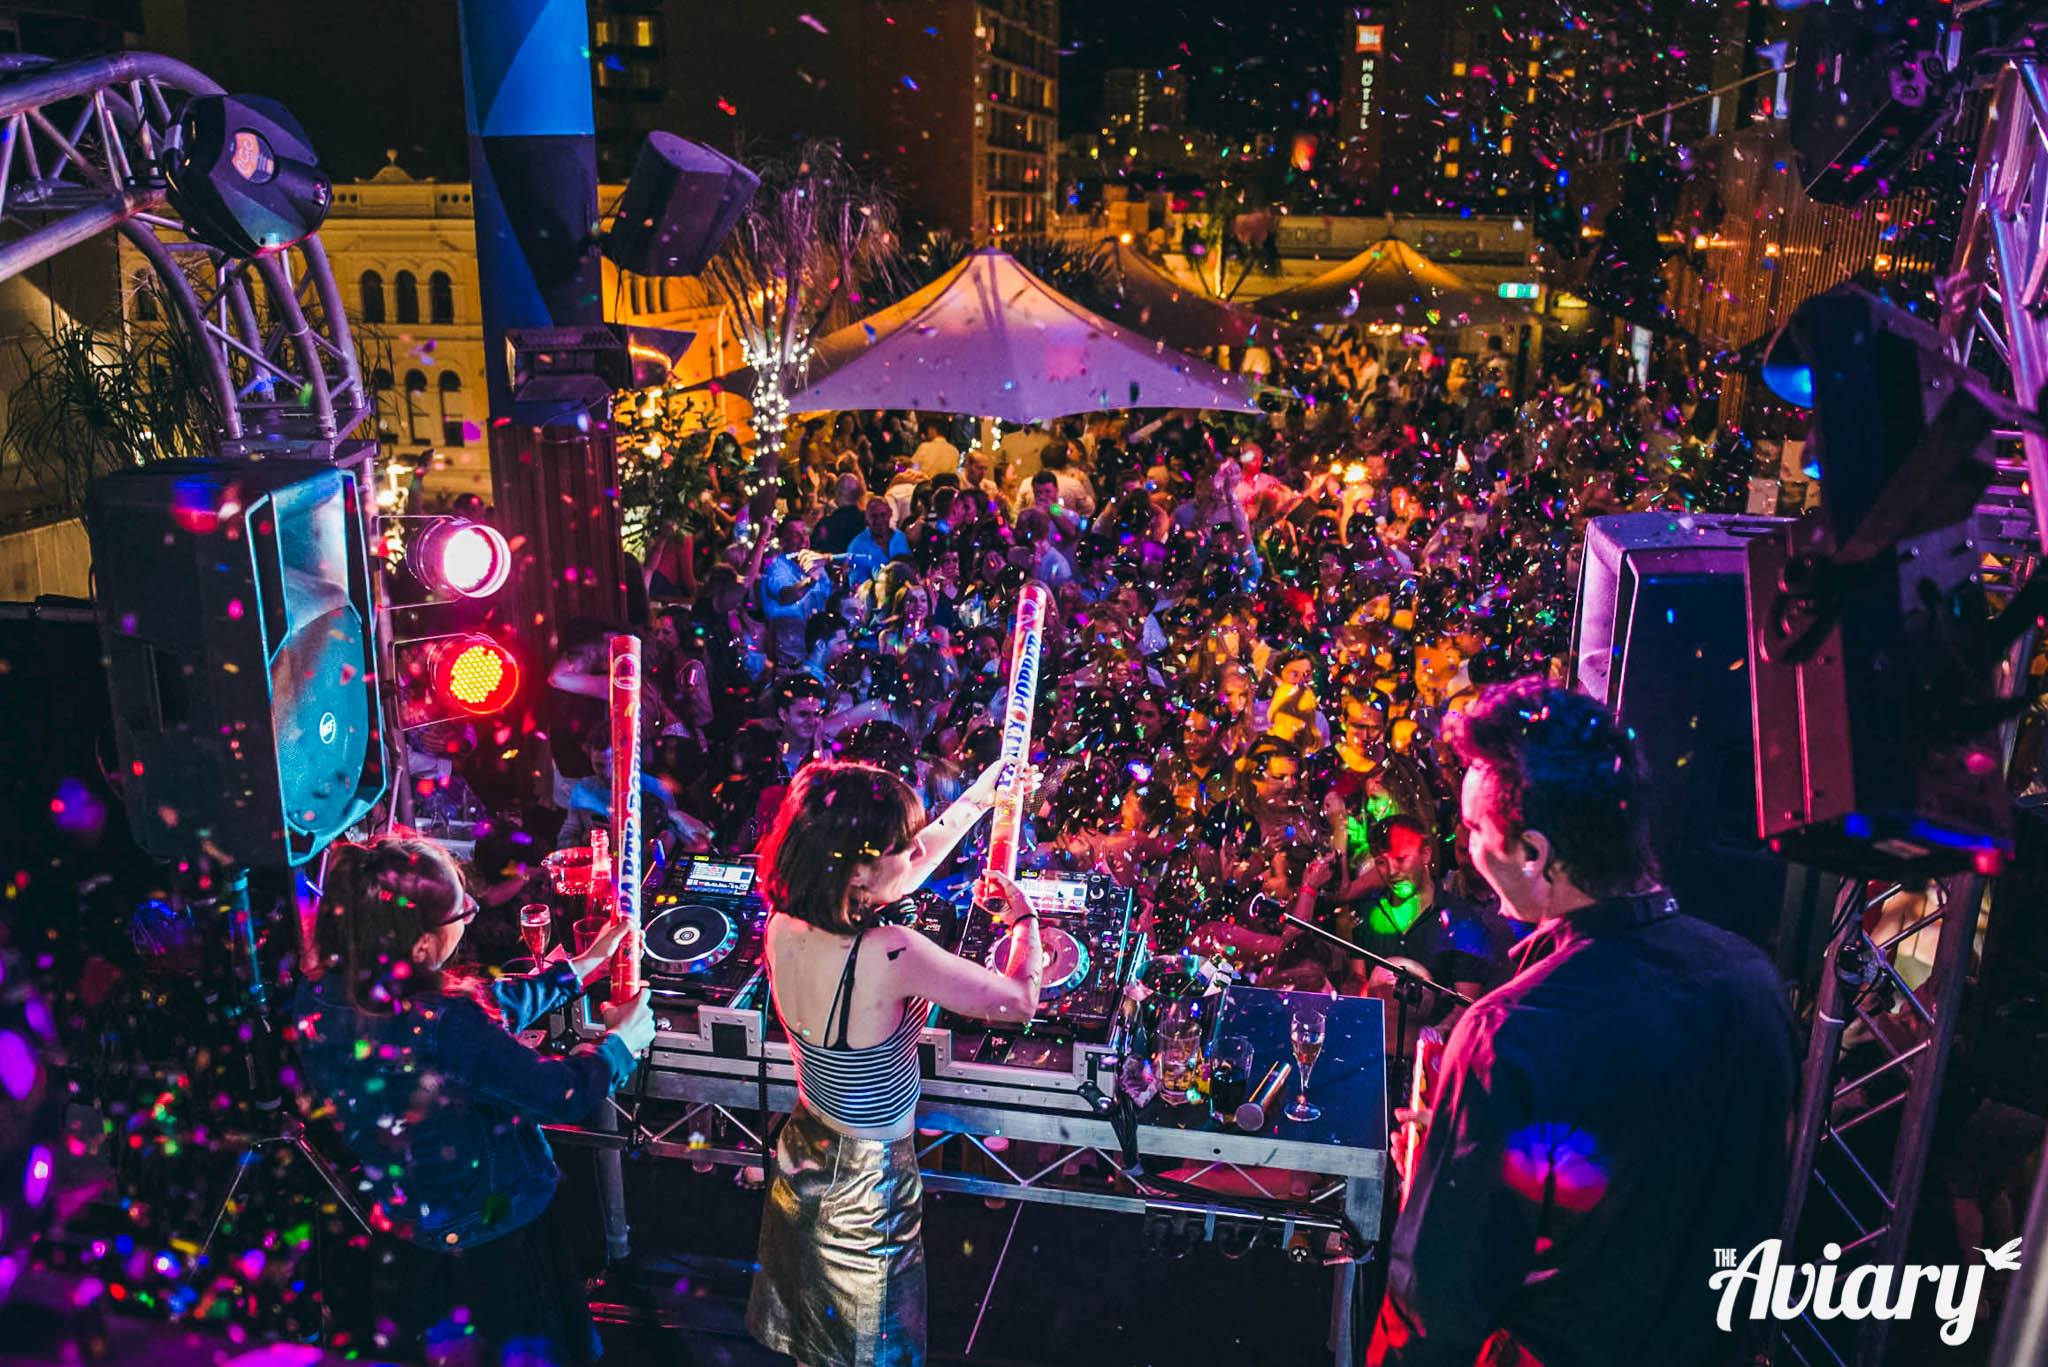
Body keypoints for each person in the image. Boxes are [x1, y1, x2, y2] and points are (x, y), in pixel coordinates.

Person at [1367, 679, 1796, 1367]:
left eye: (1474, 830)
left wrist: (1435, 1184)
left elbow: (1435, 1309)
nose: (1467, 847)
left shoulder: (1508, 1032)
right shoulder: (1751, 980)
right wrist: (1477, 1150)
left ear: (1533, 853)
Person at [291, 835, 656, 1366]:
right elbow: (561, 1095)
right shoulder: (443, 1025)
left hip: (412, 1233)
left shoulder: (321, 995)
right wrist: (622, 1044)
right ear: (421, 947)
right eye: (461, 911)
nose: (471, 913)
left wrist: (576, 970)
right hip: (496, 1238)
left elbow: (476, 1014)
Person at [747, 760, 1045, 1367]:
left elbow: (902, 873)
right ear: (857, 870)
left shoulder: (784, 921)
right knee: (871, 1350)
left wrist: (978, 799)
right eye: (900, 845)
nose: (915, 852)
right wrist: (1024, 919)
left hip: (805, 1153)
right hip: (866, 1182)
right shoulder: (890, 953)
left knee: (816, 1345)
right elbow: (1018, 1001)